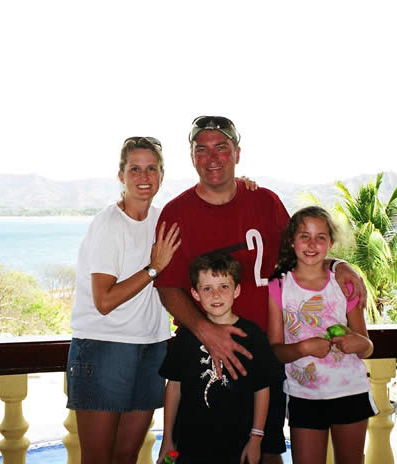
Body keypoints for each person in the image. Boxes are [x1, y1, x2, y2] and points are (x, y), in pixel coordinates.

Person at [155, 115, 368, 463]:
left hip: (265, 354)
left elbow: (300, 253)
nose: (212, 158)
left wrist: (337, 264)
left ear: (237, 153)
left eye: (222, 147)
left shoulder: (265, 202)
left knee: (266, 451)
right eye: (201, 149)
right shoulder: (176, 212)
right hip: (203, 356)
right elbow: (167, 287)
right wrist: (208, 332)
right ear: (192, 157)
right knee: (199, 450)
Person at [66, 136, 181, 464]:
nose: (144, 177)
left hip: (151, 346)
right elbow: (104, 300)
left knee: (127, 455)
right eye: (135, 169)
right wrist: (153, 268)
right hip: (105, 347)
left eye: (151, 169)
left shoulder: (162, 220)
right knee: (98, 459)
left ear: (161, 175)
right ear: (121, 176)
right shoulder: (109, 224)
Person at [267, 206, 376, 464]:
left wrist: (356, 342)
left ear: (330, 243)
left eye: (320, 237)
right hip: (304, 395)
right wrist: (303, 348)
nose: (312, 244)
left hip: (350, 391)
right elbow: (275, 350)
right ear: (291, 241)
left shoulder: (344, 285)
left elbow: (367, 347)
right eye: (304, 236)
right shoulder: (279, 286)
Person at [157, 252, 283, 464]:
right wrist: (167, 438)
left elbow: (262, 388)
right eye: (207, 288)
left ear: (237, 290)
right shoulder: (186, 336)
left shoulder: (252, 335)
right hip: (190, 445)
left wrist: (256, 438)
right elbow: (174, 386)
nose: (216, 295)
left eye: (224, 286)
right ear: (195, 293)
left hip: (238, 445)